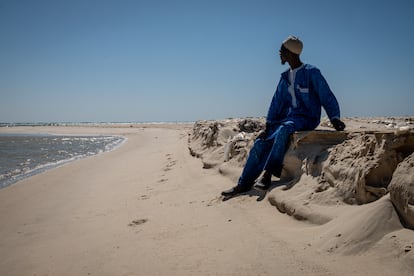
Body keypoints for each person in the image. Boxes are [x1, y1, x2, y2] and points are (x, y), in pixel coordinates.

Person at [222, 35, 345, 197]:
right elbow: (277, 103)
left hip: (307, 118)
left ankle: (267, 174)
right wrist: (268, 124)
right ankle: (243, 183)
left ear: (291, 53)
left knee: (284, 130)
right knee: (260, 142)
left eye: (282, 51)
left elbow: (326, 95)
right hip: (288, 119)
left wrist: (334, 117)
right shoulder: (285, 77)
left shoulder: (311, 73)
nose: (280, 53)